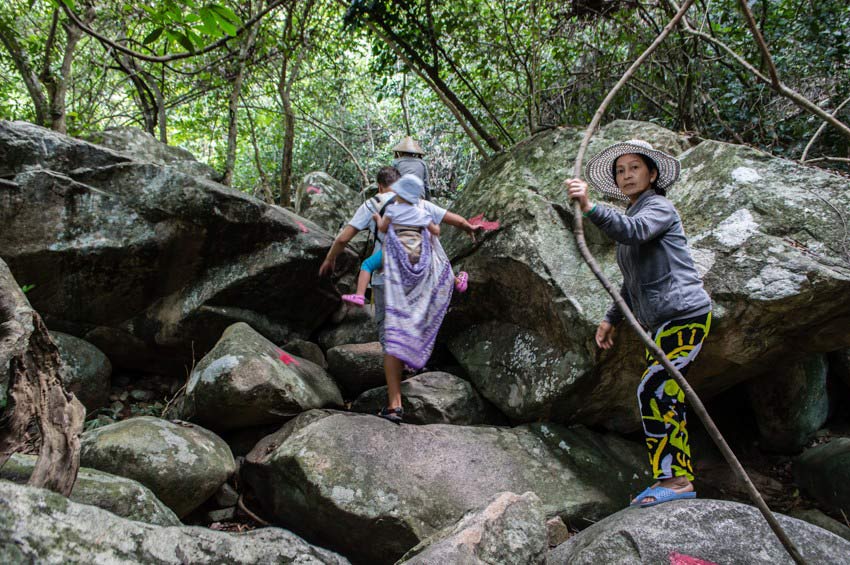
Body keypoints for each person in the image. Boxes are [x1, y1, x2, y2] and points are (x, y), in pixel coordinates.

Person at [566, 139, 712, 508]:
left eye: (635, 168)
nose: (627, 175)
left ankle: (678, 481)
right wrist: (610, 319)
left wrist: (589, 206)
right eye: (620, 170)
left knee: (656, 390)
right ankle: (670, 477)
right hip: (662, 323)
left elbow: (633, 231)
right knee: (658, 392)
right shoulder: (634, 217)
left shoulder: (658, 209)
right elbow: (632, 284)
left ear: (652, 173)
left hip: (685, 315)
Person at [319, 167, 479, 424]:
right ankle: (413, 361)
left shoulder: (376, 203)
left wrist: (329, 259)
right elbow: (453, 220)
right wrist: (470, 227)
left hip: (388, 282)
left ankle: (395, 405)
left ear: (380, 186)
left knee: (390, 339)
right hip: (419, 282)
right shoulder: (421, 204)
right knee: (412, 322)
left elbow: (344, 238)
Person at [340, 176, 468, 307]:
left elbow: (382, 228)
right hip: (416, 254)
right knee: (435, 261)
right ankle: (457, 282)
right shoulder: (421, 212)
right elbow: (436, 231)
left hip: (394, 253)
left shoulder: (392, 211)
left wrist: (378, 218)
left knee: (367, 265)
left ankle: (360, 295)